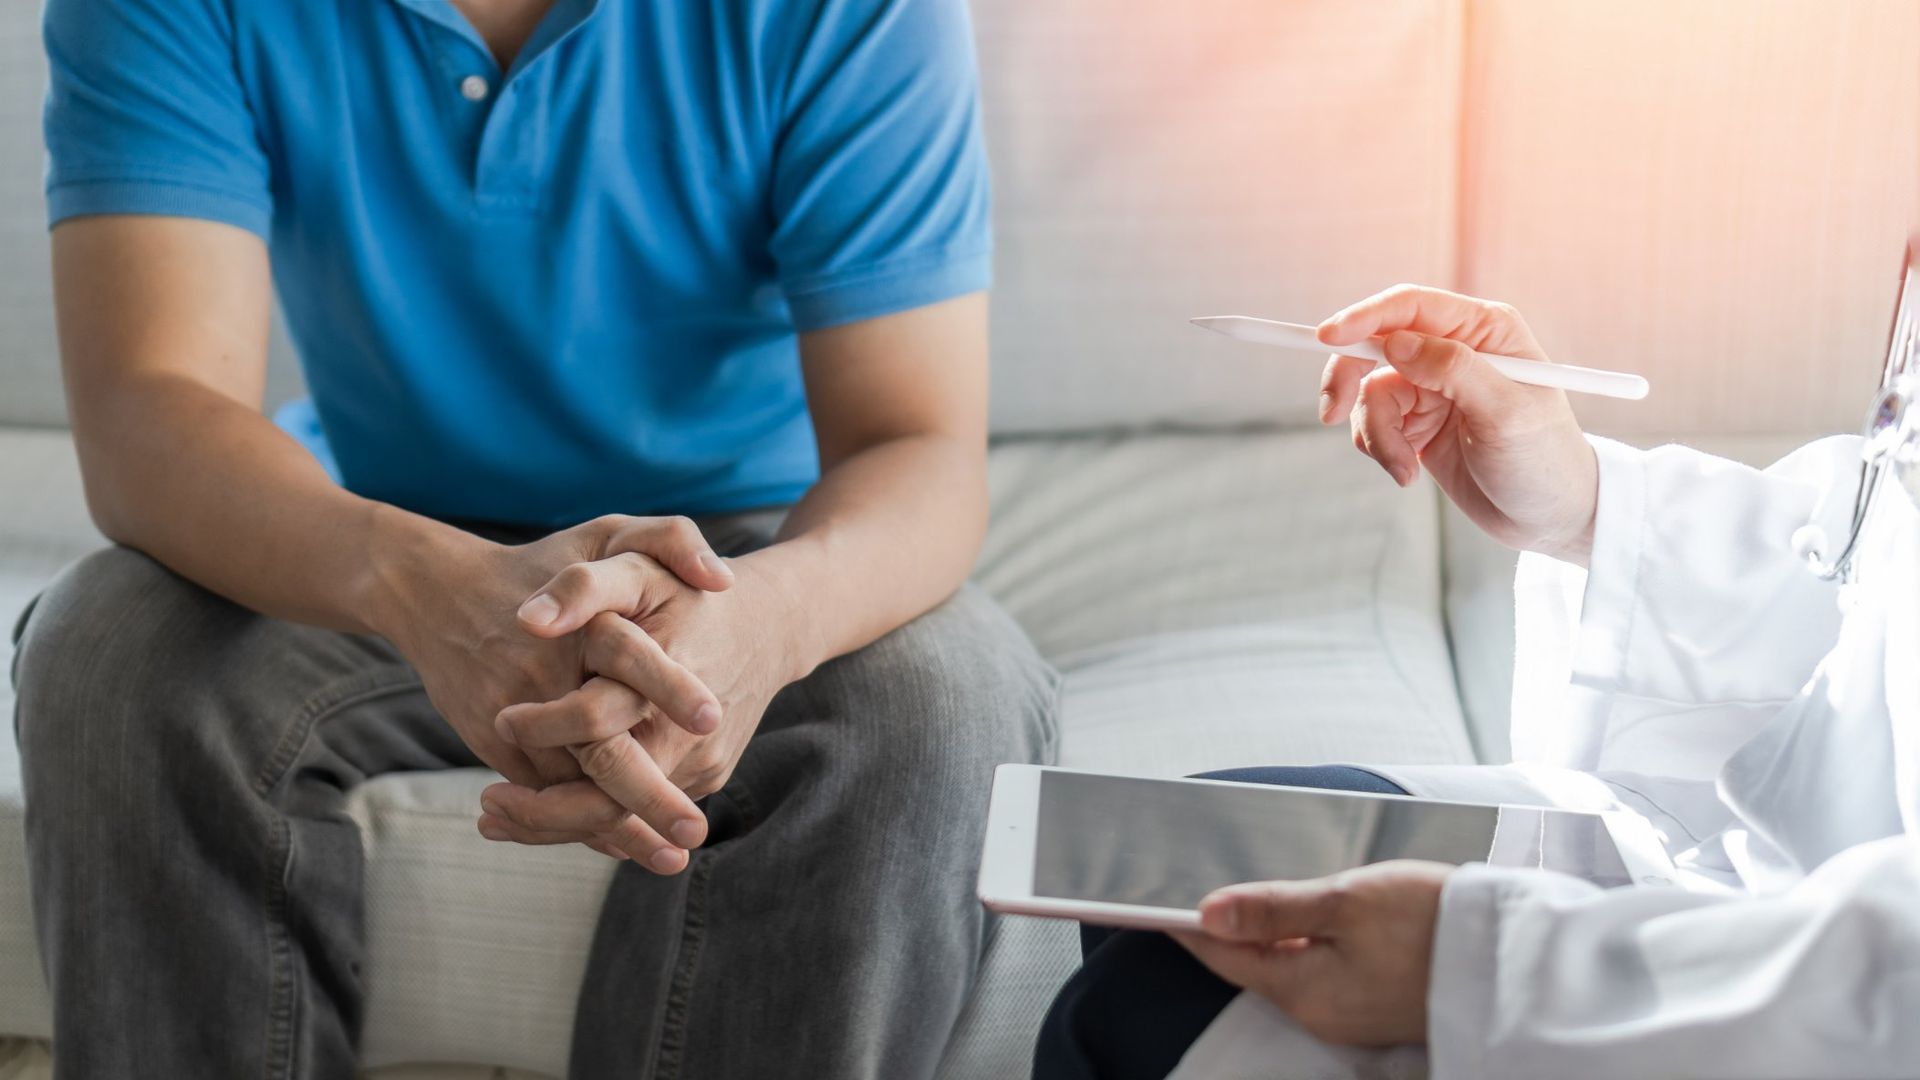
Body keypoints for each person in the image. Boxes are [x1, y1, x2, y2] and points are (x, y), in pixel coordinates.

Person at [11, 0, 1058, 1076]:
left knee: (940, 696)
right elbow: (151, 406)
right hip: (372, 529)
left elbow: (916, 444)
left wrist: (765, 627)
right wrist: (419, 585)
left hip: (744, 552)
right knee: (111, 649)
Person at [1034, 282, 1920, 1079]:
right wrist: (1589, 507)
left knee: (1124, 1019)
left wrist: (1491, 967)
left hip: (1819, 997)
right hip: (1779, 854)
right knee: (1179, 864)